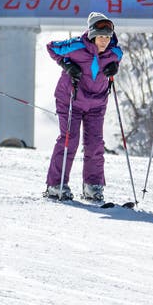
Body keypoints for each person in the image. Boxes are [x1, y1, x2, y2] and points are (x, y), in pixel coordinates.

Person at [43, 12, 122, 202]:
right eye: (101, 37)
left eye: (107, 37)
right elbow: (51, 48)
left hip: (97, 103)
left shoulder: (115, 52)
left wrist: (114, 68)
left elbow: (117, 59)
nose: (104, 41)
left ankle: (92, 186)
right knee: (70, 139)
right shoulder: (77, 46)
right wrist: (67, 64)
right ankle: (56, 184)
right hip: (70, 99)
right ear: (93, 34)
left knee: (95, 144)